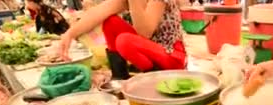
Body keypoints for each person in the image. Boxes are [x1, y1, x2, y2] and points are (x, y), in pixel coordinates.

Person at [59, 0, 187, 79]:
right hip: (149, 51)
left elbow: (145, 33)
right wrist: (69, 34)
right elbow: (99, 12)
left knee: (124, 41)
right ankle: (120, 77)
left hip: (171, 56)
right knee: (110, 22)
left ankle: (152, 78)